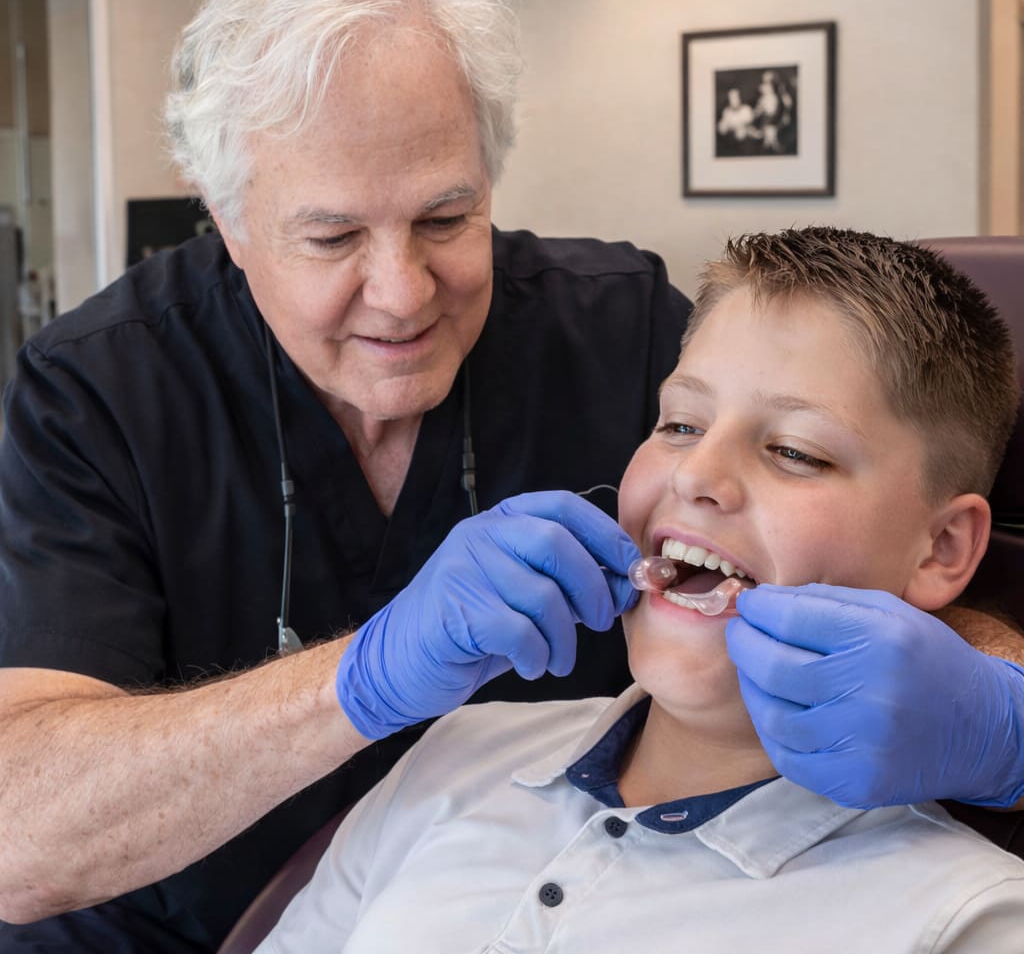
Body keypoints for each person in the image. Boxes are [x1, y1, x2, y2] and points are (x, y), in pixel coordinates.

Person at [0, 0, 1022, 951]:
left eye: (448, 217)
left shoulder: (616, 326)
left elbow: (879, 537)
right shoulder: (98, 388)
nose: (402, 294)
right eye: (333, 237)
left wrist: (1002, 721)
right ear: (228, 220)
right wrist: (365, 675)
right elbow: (18, 836)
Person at [257, 228, 1024, 952]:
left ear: (943, 548)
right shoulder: (457, 757)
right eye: (681, 424)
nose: (695, 475)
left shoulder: (963, 916)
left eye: (794, 450)